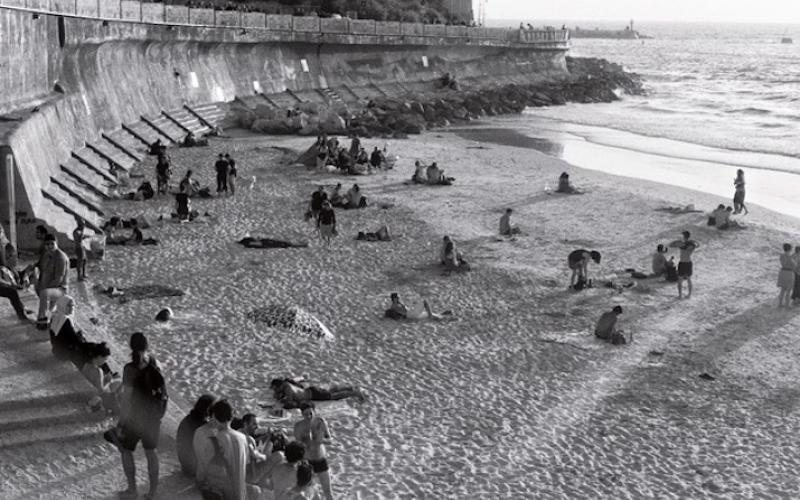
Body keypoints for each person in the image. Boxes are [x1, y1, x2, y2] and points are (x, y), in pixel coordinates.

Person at [116, 332, 168, 500]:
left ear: (130, 346)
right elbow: (162, 390)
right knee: (151, 452)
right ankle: (153, 493)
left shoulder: (129, 369)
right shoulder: (156, 363)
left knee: (125, 449)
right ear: (147, 345)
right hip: (153, 416)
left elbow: (126, 399)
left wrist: (121, 422)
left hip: (135, 418)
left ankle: (132, 489)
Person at [194, 399, 251, 500]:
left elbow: (202, 470)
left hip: (222, 495)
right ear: (232, 417)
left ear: (214, 416)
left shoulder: (215, 441)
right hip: (241, 494)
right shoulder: (243, 438)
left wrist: (198, 483)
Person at [294, 402, 334, 500]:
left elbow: (330, 440)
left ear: (314, 411)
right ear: (302, 414)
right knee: (311, 494)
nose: (309, 416)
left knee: (328, 491)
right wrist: (306, 442)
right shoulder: (298, 427)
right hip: (307, 462)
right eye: (306, 414)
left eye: (311, 413)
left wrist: (321, 441)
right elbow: (298, 447)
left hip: (320, 459)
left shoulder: (320, 422)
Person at [177, 394, 219, 478]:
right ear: (208, 409)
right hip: (193, 468)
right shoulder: (204, 427)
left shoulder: (187, 419)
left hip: (185, 464)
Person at [36, 234, 69, 330]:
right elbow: (41, 268)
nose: (50, 246)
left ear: (56, 243)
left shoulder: (60, 257)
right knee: (37, 285)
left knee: (44, 293)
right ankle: (50, 312)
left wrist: (45, 289)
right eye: (47, 244)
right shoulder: (47, 254)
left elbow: (59, 279)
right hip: (51, 287)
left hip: (61, 289)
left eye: (52, 244)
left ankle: (43, 320)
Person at [81, 342, 122, 414]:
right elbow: (101, 391)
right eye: (105, 359)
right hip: (96, 395)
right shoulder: (98, 371)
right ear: (99, 357)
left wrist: (105, 379)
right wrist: (108, 381)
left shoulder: (86, 365)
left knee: (117, 379)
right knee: (119, 382)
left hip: (89, 389)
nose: (105, 362)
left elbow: (93, 381)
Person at [273, 379, 365, 408]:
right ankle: (349, 388)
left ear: (278, 386)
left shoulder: (287, 390)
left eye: (275, 389)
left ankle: (355, 393)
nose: (274, 391)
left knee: (335, 396)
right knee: (330, 392)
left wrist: (281, 400)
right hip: (311, 391)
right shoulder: (287, 385)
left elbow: (290, 402)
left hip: (314, 395)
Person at [669, 231, 699, 299]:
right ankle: (689, 295)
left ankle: (680, 295)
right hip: (688, 262)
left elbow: (670, 245)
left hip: (682, 263)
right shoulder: (692, 245)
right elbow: (698, 245)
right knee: (689, 279)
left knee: (680, 280)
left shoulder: (682, 244)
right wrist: (694, 241)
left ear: (684, 236)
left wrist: (677, 241)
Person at [384, 293, 452, 321]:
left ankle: (441, 314)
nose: (400, 298)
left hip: (411, 314)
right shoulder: (394, 305)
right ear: (395, 298)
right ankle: (438, 316)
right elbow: (391, 311)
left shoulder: (397, 304)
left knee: (427, 314)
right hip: (411, 314)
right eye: (398, 297)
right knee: (425, 302)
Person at [778, 243, 795, 308]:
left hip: (782, 272)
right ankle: (787, 305)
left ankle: (780, 303)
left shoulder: (781, 255)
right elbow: (794, 265)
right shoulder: (790, 256)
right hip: (789, 273)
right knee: (788, 290)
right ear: (789, 249)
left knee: (782, 289)